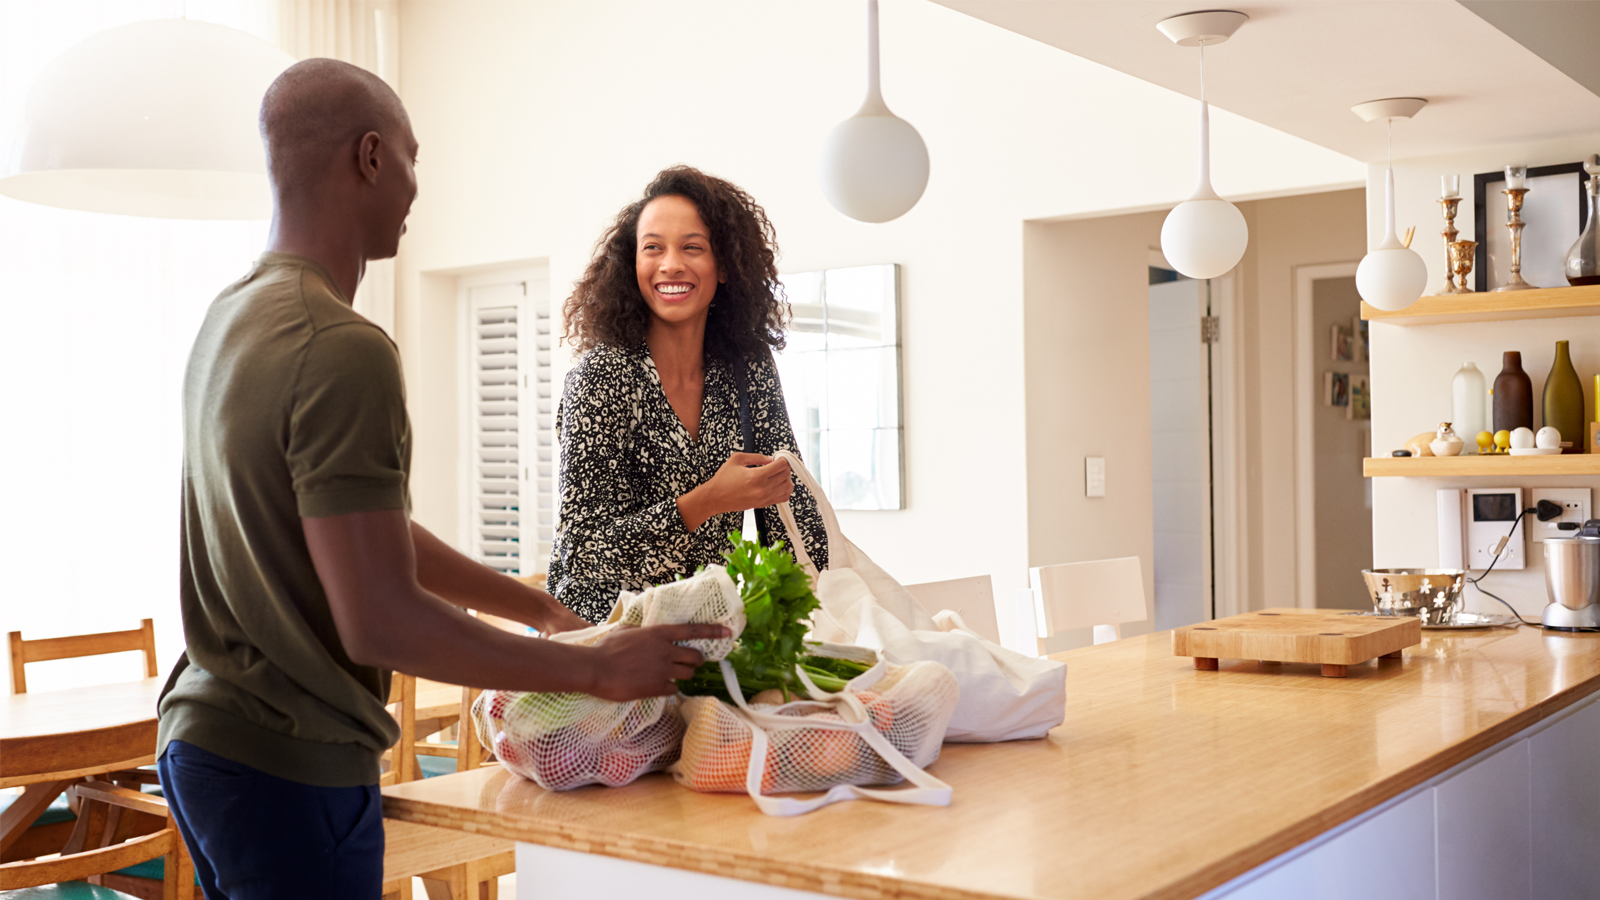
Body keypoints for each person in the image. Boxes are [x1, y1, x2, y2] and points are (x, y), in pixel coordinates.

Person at [155, 59, 725, 900]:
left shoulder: (231, 317)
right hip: (291, 761)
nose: (419, 187)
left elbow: (355, 532)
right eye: (415, 158)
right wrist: (595, 668)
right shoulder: (342, 346)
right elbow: (379, 620)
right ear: (372, 156)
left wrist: (533, 607)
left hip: (204, 742)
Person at [550, 165, 829, 624]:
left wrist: (828, 601)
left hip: (704, 631)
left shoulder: (747, 366)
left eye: (692, 247)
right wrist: (710, 499)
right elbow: (584, 553)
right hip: (603, 637)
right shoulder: (602, 377)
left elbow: (791, 504)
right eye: (653, 248)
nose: (671, 264)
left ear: (724, 267)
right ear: (632, 265)